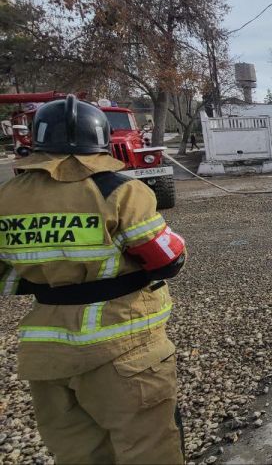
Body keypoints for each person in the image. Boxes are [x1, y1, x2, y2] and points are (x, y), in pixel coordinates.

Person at [0, 96, 187, 462]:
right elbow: (166, 258)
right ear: (101, 140)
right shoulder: (118, 191)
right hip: (124, 343)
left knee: (77, 452)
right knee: (149, 446)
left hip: (46, 349)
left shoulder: (7, 198)